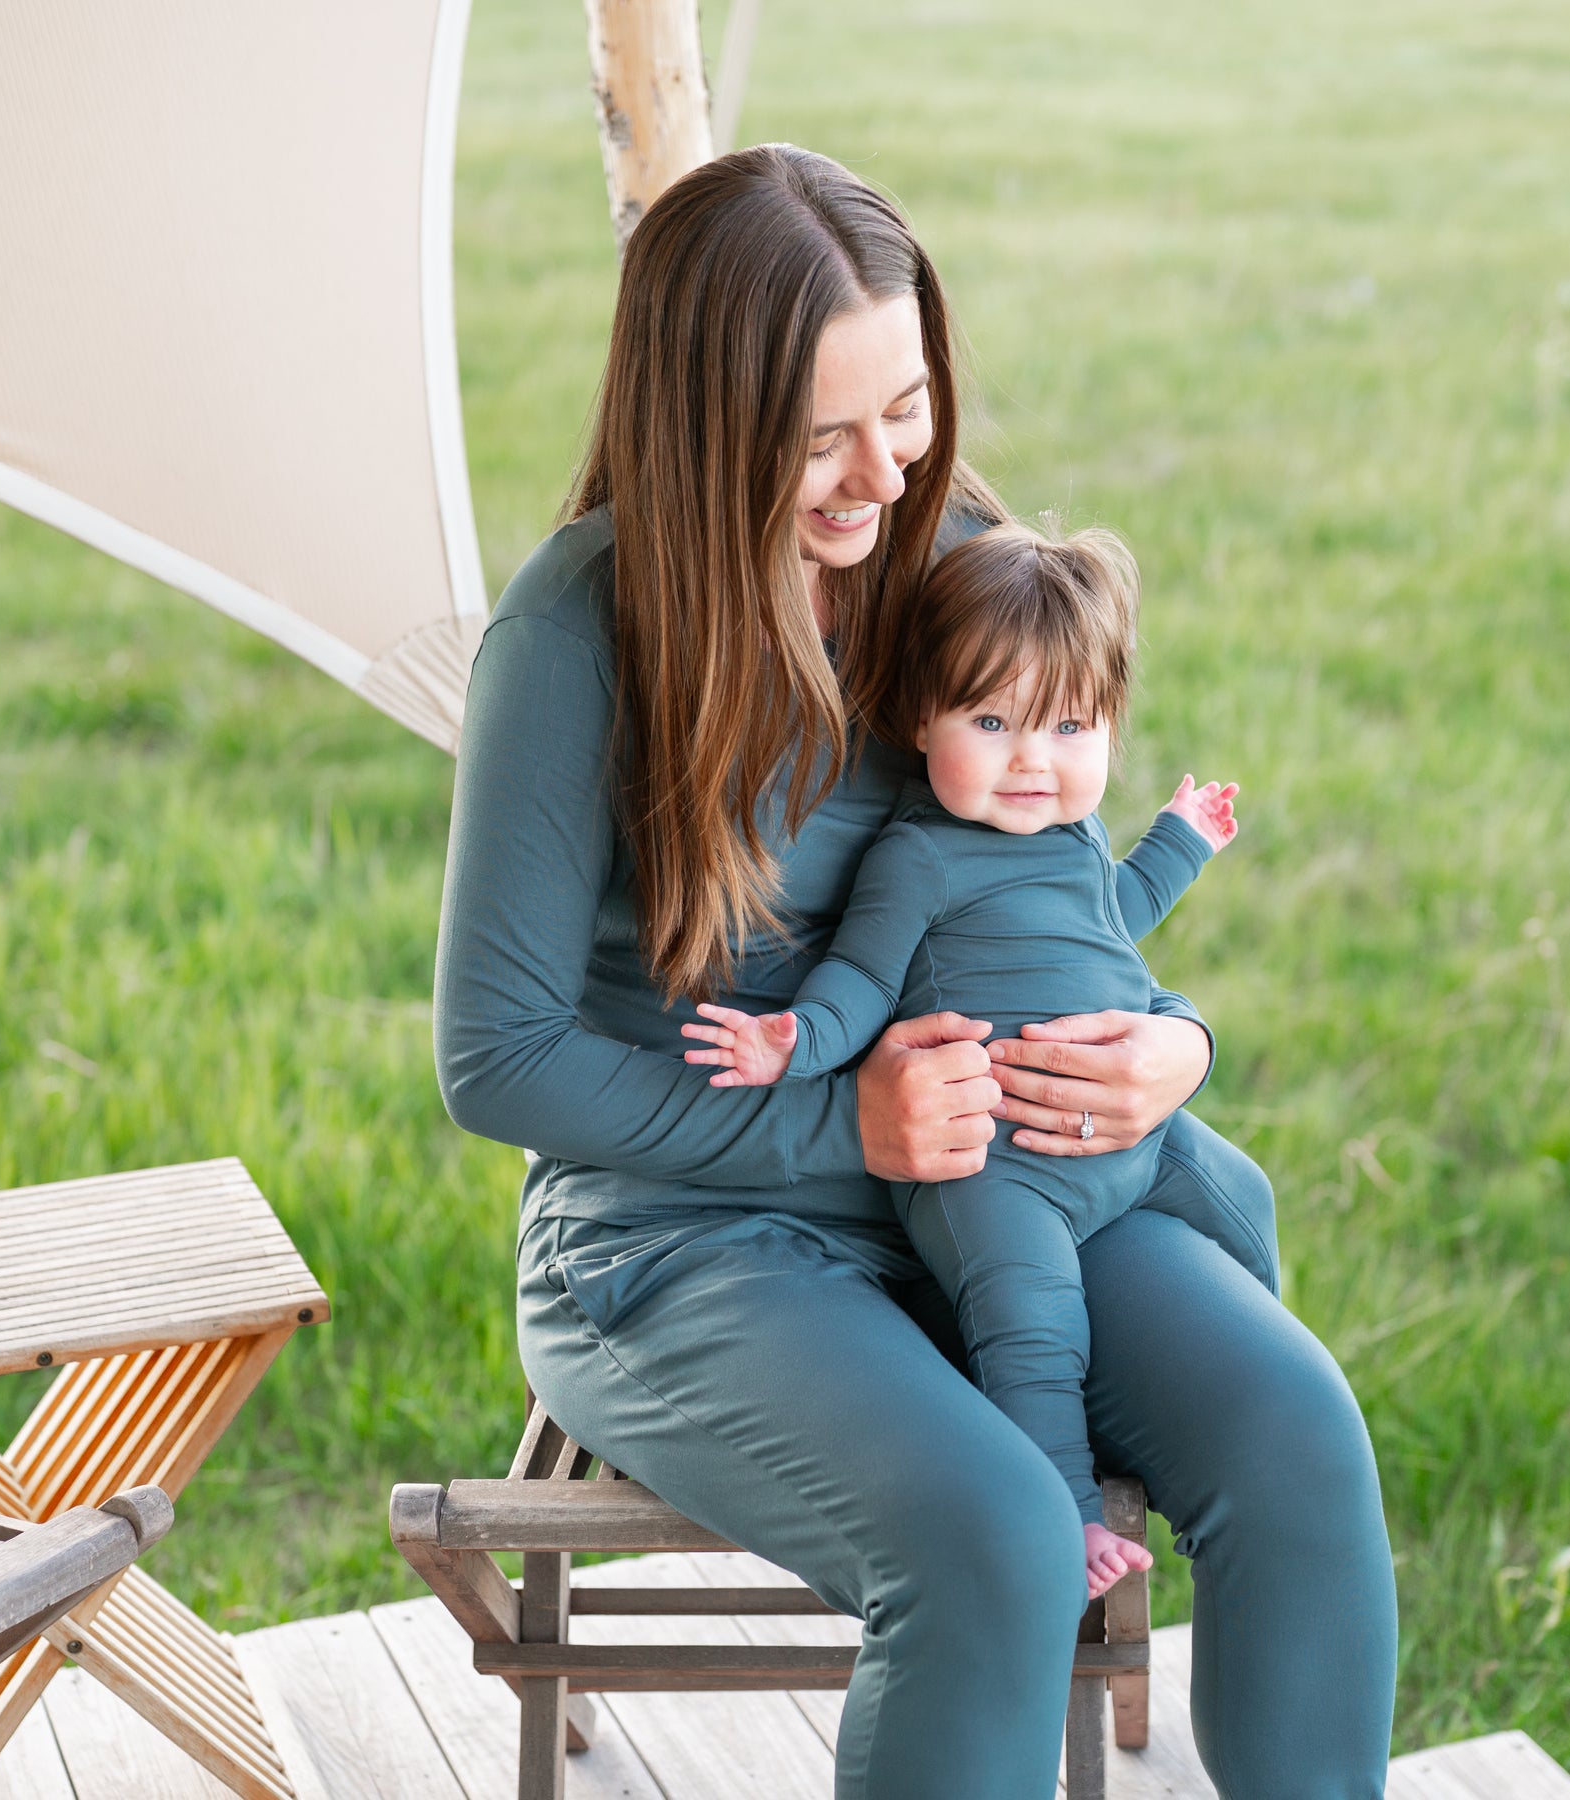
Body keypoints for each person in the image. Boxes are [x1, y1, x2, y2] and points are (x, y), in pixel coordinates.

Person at [435, 143, 1397, 1799]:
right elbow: (499, 1060)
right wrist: (849, 1134)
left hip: (1007, 1186)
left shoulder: (945, 551)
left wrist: (1173, 1044)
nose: (886, 477)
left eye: (909, 408)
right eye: (822, 436)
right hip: (686, 1239)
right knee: (997, 1538)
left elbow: (1049, 874)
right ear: (701, 421)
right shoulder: (577, 636)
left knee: (1298, 1434)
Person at [678, 519, 1274, 1600]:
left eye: (1068, 726)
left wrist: (1179, 839)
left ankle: (1216, 1434)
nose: (1032, 761)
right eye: (991, 721)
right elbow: (858, 983)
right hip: (995, 1169)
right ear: (921, 719)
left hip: (1134, 1137)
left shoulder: (1077, 838)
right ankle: (1070, 1510)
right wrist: (791, 1039)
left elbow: (1116, 918)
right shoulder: (916, 855)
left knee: (1246, 1202)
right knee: (1028, 1324)